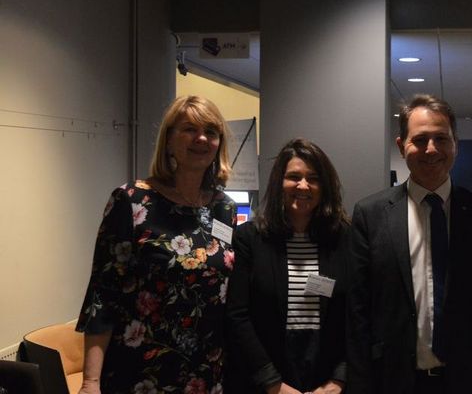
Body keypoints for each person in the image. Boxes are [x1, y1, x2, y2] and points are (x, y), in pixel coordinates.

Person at [346, 95, 472, 394]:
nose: (432, 149)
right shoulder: (370, 215)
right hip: (393, 380)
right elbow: (357, 312)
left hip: (467, 380)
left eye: (441, 138)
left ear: (455, 145)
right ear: (401, 146)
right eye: (420, 139)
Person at [77, 95, 237, 393]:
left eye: (210, 132)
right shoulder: (132, 200)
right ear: (169, 140)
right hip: (141, 372)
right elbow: (103, 294)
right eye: (189, 129)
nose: (201, 138)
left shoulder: (223, 208)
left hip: (207, 373)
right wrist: (90, 381)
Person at [226, 138, 349, 394]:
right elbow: (238, 315)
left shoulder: (345, 238)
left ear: (324, 186)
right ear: (278, 182)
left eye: (313, 178)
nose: (303, 185)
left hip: (327, 380)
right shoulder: (250, 238)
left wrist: (338, 380)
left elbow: (357, 313)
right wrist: (272, 383)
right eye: (294, 177)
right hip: (267, 378)